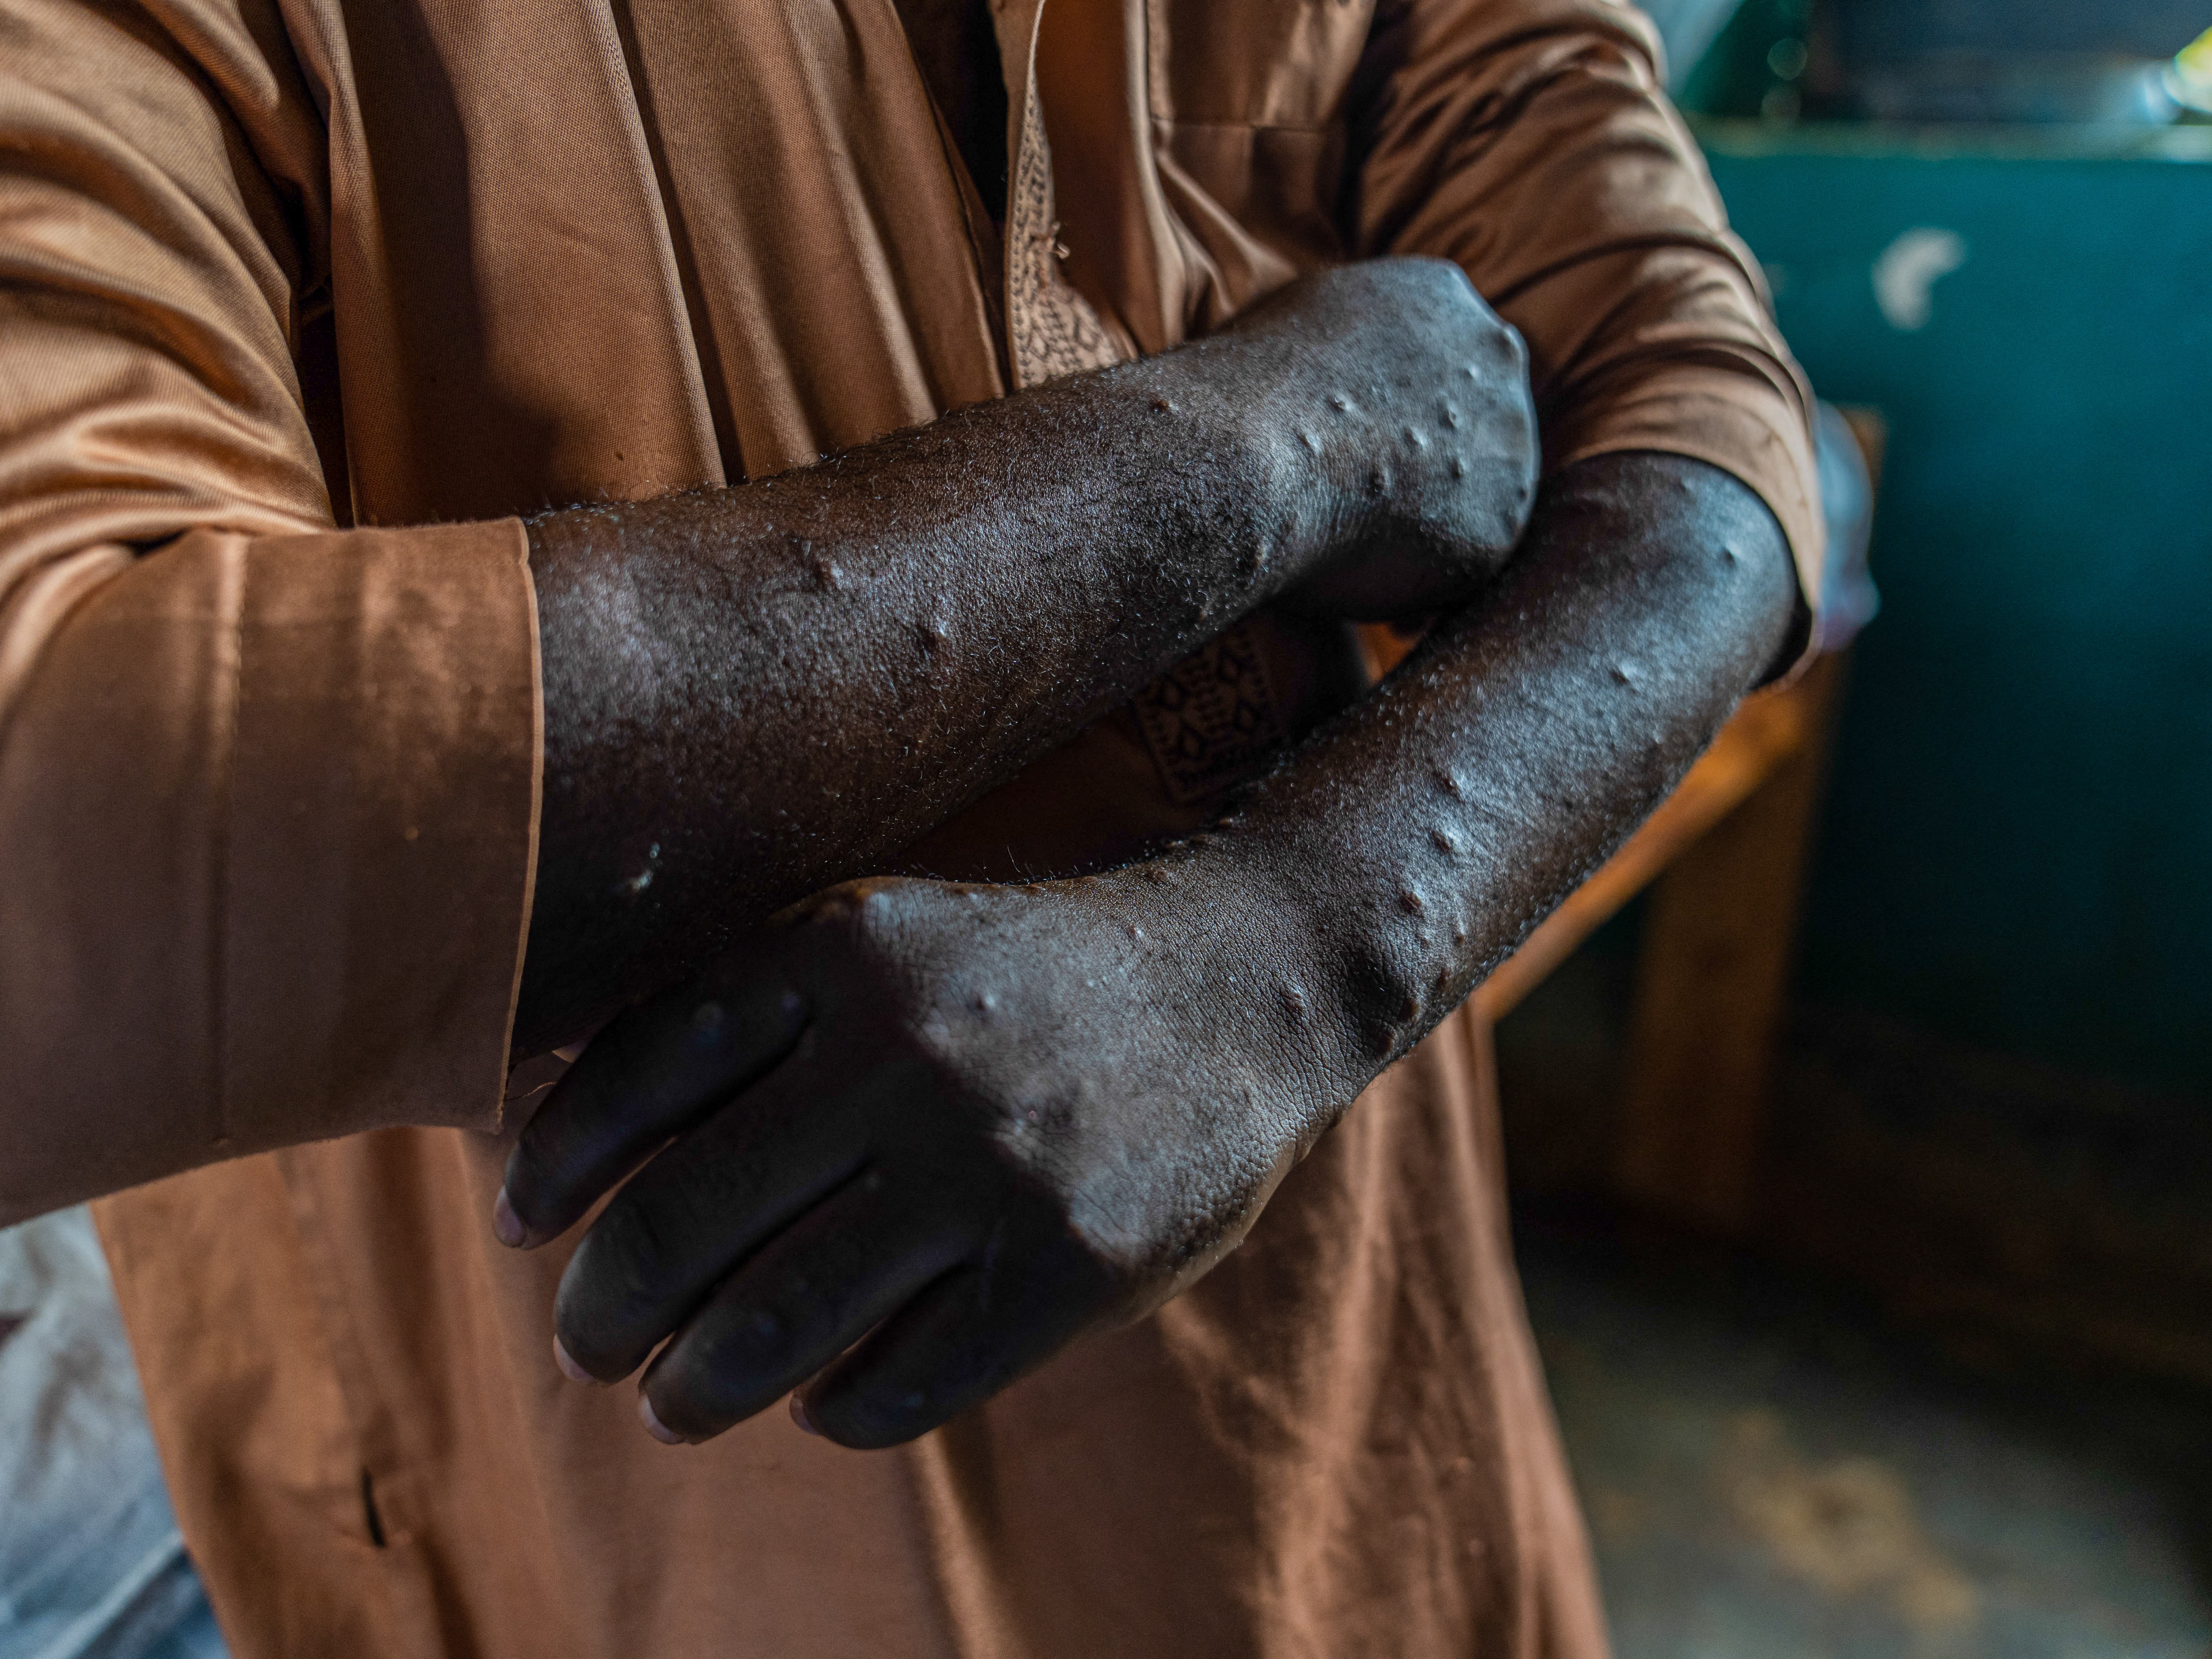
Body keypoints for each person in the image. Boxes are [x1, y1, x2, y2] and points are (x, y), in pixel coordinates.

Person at [0, 0, 1819, 1652]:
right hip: (606, 1521)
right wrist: (1270, 443)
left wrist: (1295, 950)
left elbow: (1702, 437)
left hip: (1350, 1415)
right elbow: (56, 799)